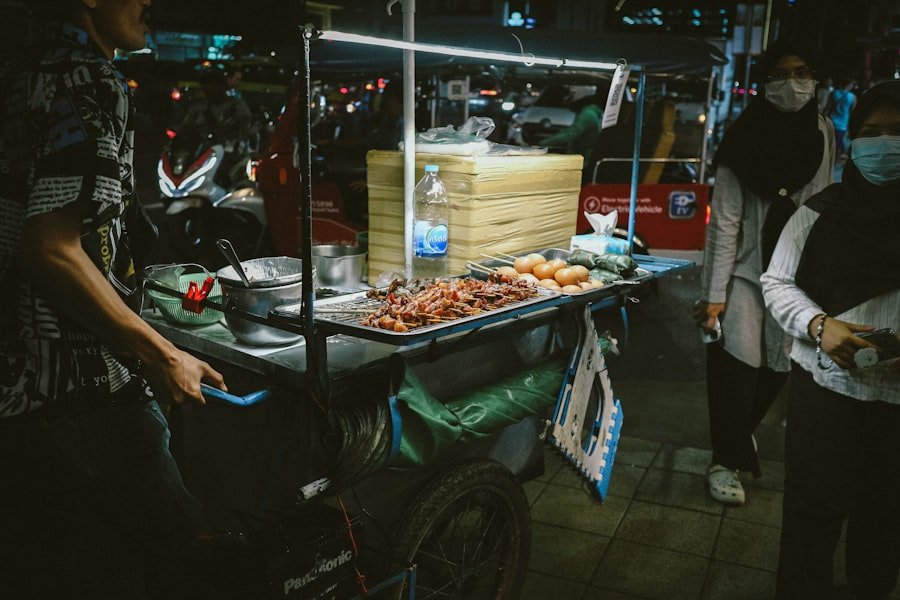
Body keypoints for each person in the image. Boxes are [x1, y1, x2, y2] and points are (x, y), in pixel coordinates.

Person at [0, 0, 227, 597]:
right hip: (79, 381)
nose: (151, 3)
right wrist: (160, 354)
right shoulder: (93, 83)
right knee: (187, 554)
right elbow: (50, 248)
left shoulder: (21, 69)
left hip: (17, 379)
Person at [761, 81, 900, 600]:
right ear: (852, 142)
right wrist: (820, 325)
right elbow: (775, 281)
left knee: (883, 527)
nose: (884, 145)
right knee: (810, 521)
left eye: (897, 133)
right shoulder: (820, 212)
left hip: (895, 407)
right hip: (825, 394)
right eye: (871, 133)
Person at [692, 38, 836, 505]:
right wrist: (715, 294)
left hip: (793, 273)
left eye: (801, 72)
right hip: (746, 273)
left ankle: (738, 437)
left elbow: (819, 205)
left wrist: (816, 278)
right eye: (779, 74)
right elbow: (726, 221)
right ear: (762, 83)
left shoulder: (821, 130)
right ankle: (723, 460)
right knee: (737, 368)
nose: (792, 83)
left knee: (779, 367)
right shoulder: (742, 137)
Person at [179, 66, 252, 185]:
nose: (209, 88)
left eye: (213, 84)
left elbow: (245, 127)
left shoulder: (236, 106)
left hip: (227, 152)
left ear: (222, 86)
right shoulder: (198, 107)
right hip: (199, 151)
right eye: (206, 84)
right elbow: (185, 127)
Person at [539, 86, 607, 178]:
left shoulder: (587, 114)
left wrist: (542, 144)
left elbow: (570, 134)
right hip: (583, 157)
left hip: (583, 159)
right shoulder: (590, 112)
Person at [826, 76, 857, 158]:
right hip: (843, 124)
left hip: (831, 122)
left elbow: (828, 107)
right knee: (836, 146)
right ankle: (833, 163)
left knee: (830, 144)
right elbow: (853, 112)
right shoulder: (852, 97)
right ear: (849, 85)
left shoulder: (834, 93)